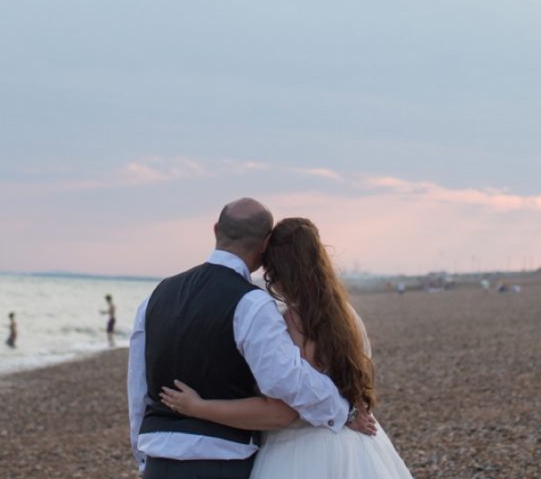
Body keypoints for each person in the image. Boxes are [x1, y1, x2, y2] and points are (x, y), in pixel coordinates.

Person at [128, 199, 376, 479]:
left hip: (158, 458)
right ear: (265, 244)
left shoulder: (155, 296)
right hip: (221, 461)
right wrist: (343, 411)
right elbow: (287, 380)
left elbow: (138, 389)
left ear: (216, 229)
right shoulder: (251, 303)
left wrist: (143, 456)